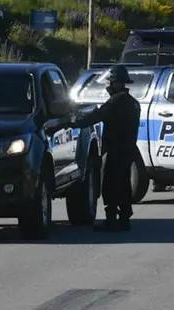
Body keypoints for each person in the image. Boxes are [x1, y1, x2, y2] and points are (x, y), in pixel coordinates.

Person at [48, 65, 141, 231]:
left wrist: (73, 123)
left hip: (115, 150)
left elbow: (95, 117)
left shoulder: (115, 102)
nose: (109, 86)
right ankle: (125, 218)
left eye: (111, 82)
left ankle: (112, 220)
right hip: (128, 150)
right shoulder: (133, 103)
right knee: (124, 183)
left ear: (117, 83)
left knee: (110, 185)